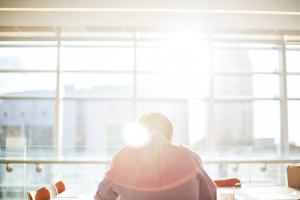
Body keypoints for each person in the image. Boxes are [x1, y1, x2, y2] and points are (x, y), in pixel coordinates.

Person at [94, 112, 217, 200]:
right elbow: (211, 194)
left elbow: (101, 197)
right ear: (170, 137)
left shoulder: (123, 156)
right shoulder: (191, 156)